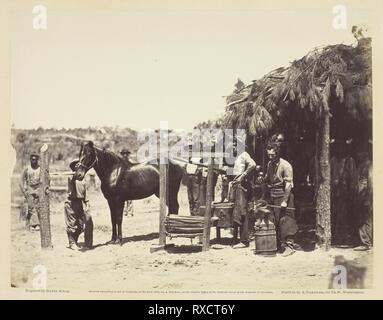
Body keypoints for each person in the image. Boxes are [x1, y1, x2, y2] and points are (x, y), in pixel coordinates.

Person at [264, 142, 298, 256]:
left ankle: (289, 246)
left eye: (273, 155)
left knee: (287, 220)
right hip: (274, 194)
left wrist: (284, 200)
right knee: (276, 221)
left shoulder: (286, 165)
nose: (270, 157)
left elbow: (288, 185)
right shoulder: (269, 164)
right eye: (269, 155)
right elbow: (268, 179)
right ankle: (279, 245)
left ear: (278, 153)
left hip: (284, 194)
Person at [230, 136, 256, 249]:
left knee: (242, 213)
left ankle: (244, 241)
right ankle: (237, 239)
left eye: (236, 144)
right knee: (237, 212)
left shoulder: (244, 154)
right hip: (237, 185)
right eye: (234, 144)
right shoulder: (237, 156)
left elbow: (253, 164)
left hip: (242, 186)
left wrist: (243, 175)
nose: (234, 146)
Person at [64, 160, 93, 250]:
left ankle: (86, 244)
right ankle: (72, 242)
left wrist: (87, 202)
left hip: (80, 203)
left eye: (80, 165)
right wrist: (77, 171)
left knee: (81, 225)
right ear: (74, 168)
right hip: (71, 203)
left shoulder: (82, 179)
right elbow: (75, 176)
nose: (79, 166)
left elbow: (85, 193)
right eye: (77, 165)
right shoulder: (71, 177)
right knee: (72, 224)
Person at [19, 152, 41, 231]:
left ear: (37, 160)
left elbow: (47, 178)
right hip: (29, 188)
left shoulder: (40, 168)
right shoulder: (27, 168)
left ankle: (29, 223)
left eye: (35, 159)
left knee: (38, 207)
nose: (33, 161)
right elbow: (20, 180)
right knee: (31, 206)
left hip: (38, 188)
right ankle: (35, 225)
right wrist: (24, 191)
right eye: (32, 159)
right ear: (30, 159)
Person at [120, 148, 134, 217]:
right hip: (123, 181)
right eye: (123, 154)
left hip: (130, 180)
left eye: (126, 153)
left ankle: (130, 212)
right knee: (123, 198)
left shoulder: (131, 162)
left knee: (130, 198)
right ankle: (125, 212)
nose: (125, 155)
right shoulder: (120, 162)